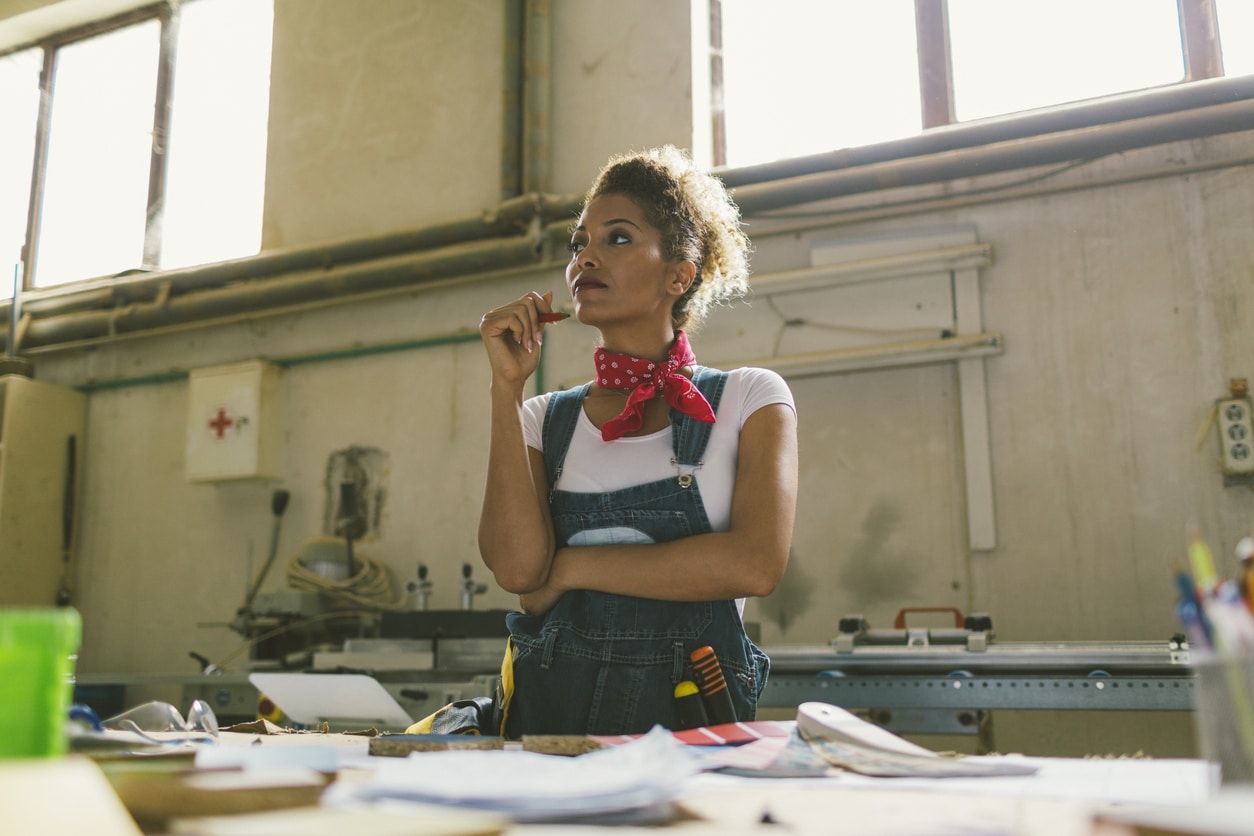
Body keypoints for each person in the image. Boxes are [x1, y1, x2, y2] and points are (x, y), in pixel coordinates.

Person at [477, 145, 798, 737]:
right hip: (551, 735)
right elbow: (520, 571)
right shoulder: (540, 418)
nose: (586, 257)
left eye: (617, 238)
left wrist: (569, 567)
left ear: (680, 272)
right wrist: (506, 388)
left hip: (691, 734)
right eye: (578, 243)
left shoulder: (751, 398)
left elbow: (753, 565)